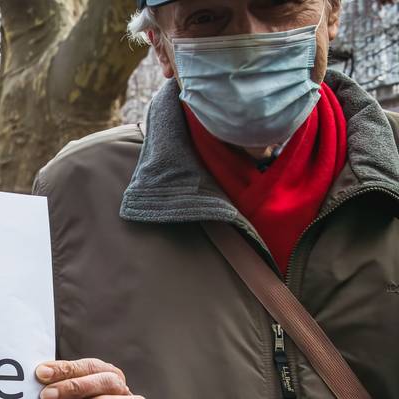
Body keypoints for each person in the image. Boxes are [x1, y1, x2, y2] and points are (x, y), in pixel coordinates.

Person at [32, 0, 399, 397]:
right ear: (160, 46)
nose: (250, 42)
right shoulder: (73, 193)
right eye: (206, 17)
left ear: (331, 14)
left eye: (279, 6)